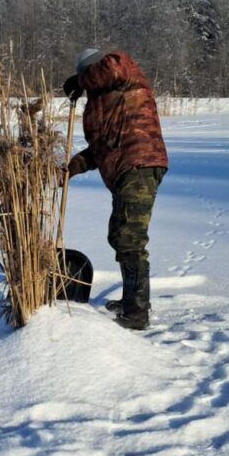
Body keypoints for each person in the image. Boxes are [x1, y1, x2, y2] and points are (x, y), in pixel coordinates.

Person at [62, 48, 168, 330]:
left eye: (88, 76)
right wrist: (72, 167)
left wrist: (79, 79)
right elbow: (100, 149)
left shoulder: (124, 74)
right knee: (120, 234)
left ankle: (137, 313)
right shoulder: (101, 104)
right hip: (124, 169)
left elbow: (114, 66)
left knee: (129, 238)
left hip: (140, 162)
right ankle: (132, 300)